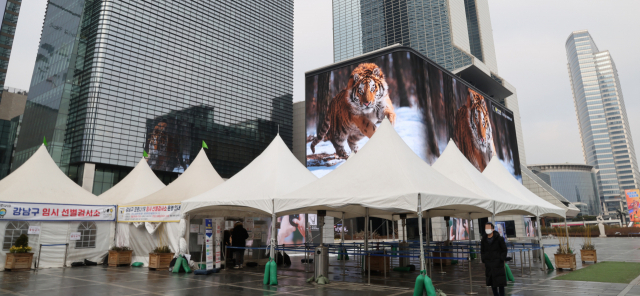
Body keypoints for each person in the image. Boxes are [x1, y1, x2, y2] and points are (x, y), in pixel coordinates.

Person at [481, 222, 508, 296]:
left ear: (492, 229)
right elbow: (482, 251)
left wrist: (501, 258)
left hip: (498, 263)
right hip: (489, 264)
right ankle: (496, 294)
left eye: (488, 228)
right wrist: (484, 259)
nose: (487, 230)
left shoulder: (499, 239)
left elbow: (504, 249)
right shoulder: (484, 240)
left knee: (500, 282)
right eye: (486, 228)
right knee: (492, 282)